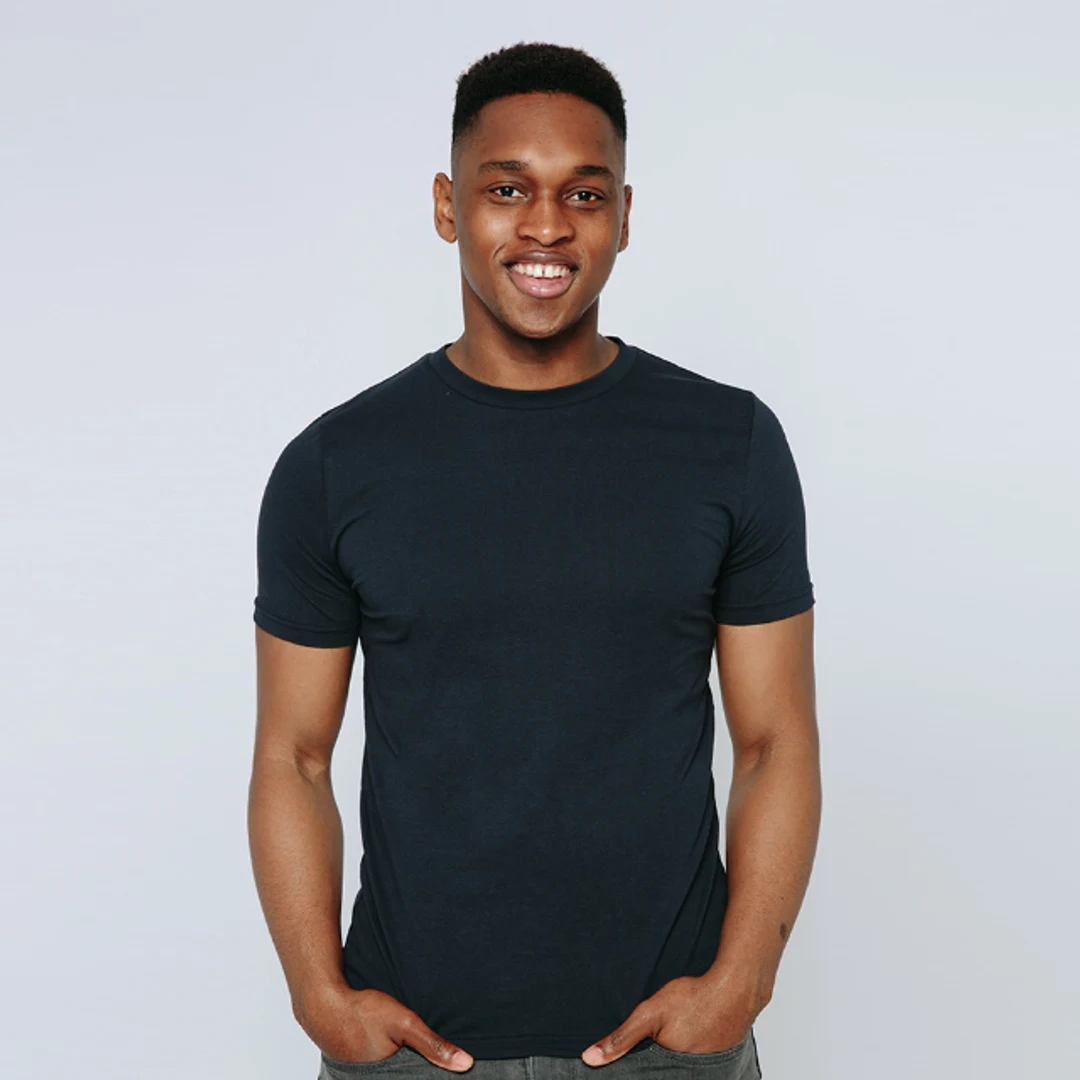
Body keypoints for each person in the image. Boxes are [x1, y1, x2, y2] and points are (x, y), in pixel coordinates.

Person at [248, 41, 820, 1080]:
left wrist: (741, 983)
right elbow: (293, 754)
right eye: (507, 188)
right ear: (448, 205)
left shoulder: (729, 443)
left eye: (583, 194)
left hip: (668, 1045)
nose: (547, 226)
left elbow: (776, 741)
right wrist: (318, 996)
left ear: (624, 216)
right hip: (415, 1048)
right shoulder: (336, 466)